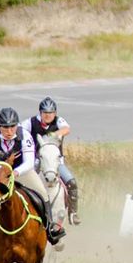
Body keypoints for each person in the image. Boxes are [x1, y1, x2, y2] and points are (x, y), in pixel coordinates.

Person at [0, 107, 65, 253]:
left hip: (22, 171)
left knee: (42, 194)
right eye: (5, 128)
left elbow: (29, 162)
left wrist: (15, 172)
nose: (9, 131)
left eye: (12, 127)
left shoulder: (24, 136)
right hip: (0, 175)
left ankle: (50, 228)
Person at [24, 96, 81, 225]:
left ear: (55, 113)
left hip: (56, 162)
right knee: (25, 181)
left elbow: (67, 129)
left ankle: (73, 213)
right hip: (37, 160)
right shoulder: (31, 122)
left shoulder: (59, 121)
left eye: (50, 113)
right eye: (45, 113)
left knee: (71, 182)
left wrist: (54, 134)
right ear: (40, 113)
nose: (48, 116)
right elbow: (20, 130)